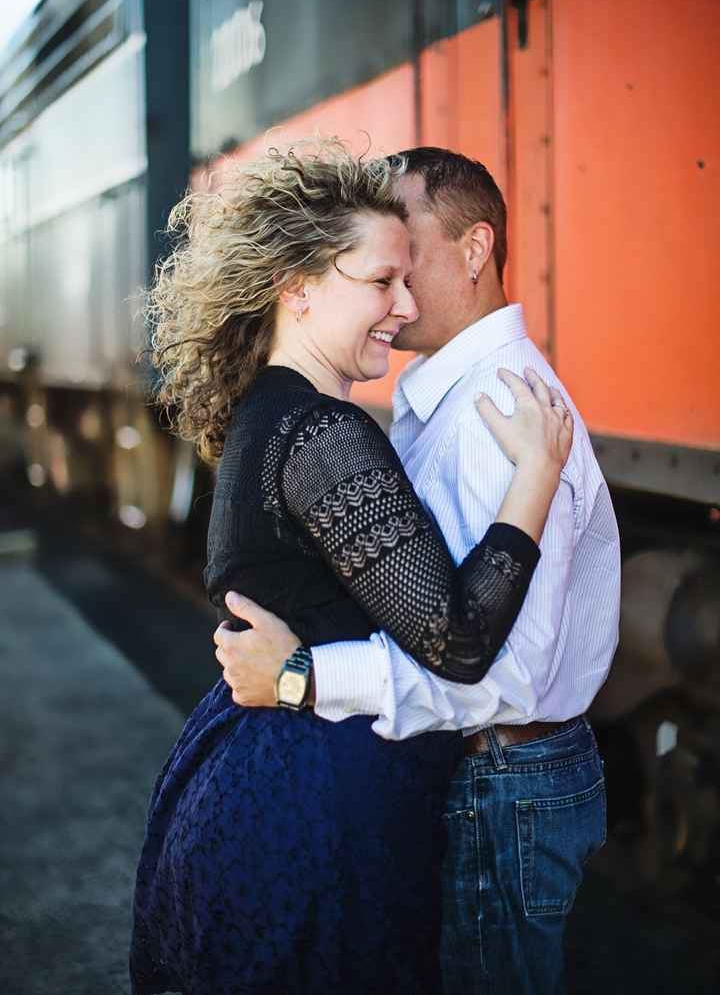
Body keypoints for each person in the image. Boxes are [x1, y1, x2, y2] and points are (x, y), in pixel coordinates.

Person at [130, 140, 572, 995]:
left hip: (268, 786)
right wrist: (535, 479)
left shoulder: (271, 414)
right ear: (298, 289)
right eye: (379, 281)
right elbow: (461, 638)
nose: (403, 306)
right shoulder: (324, 436)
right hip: (314, 817)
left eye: (408, 279)